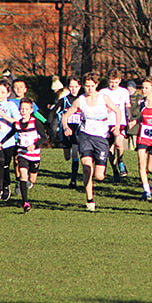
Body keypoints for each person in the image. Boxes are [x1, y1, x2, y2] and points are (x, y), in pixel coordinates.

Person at [61, 72, 121, 211]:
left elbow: (117, 111)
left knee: (99, 176)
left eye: (92, 86)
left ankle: (98, 173)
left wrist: (117, 126)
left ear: (96, 85)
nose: (89, 88)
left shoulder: (104, 98)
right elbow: (66, 116)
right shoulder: (80, 100)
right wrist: (66, 127)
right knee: (87, 167)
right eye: (87, 86)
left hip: (101, 138)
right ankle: (90, 200)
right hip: (85, 136)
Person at [1, 98, 47, 213]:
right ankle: (25, 203)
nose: (24, 111)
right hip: (22, 153)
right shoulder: (17, 124)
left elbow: (45, 137)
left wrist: (34, 145)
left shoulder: (35, 122)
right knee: (23, 175)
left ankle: (27, 185)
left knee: (32, 179)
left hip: (34, 155)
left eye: (26, 109)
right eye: (22, 109)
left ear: (31, 110)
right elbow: (11, 133)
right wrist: (1, 143)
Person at [0, 79, 21, 202]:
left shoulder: (11, 105)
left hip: (8, 141)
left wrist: (4, 117)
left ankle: (6, 186)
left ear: (8, 93)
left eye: (2, 92)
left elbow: (18, 122)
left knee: (5, 164)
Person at [131, 77, 152, 201]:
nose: (143, 90)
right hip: (143, 135)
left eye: (146, 88)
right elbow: (142, 117)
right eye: (142, 87)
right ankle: (146, 190)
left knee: (151, 168)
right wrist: (135, 121)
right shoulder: (142, 103)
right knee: (141, 163)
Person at [101, 68, 132, 181]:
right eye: (111, 82)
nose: (113, 84)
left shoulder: (124, 92)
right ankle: (114, 170)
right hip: (107, 123)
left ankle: (120, 161)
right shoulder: (103, 92)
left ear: (119, 80)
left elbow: (127, 106)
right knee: (110, 149)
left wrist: (130, 119)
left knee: (119, 143)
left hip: (120, 122)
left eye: (116, 82)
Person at [55, 76, 83, 187]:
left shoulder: (82, 100)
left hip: (78, 131)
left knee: (75, 152)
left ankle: (73, 179)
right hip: (66, 131)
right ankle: (74, 175)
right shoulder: (64, 100)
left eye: (76, 86)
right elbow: (54, 111)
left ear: (80, 87)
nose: (74, 89)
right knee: (67, 156)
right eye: (71, 86)